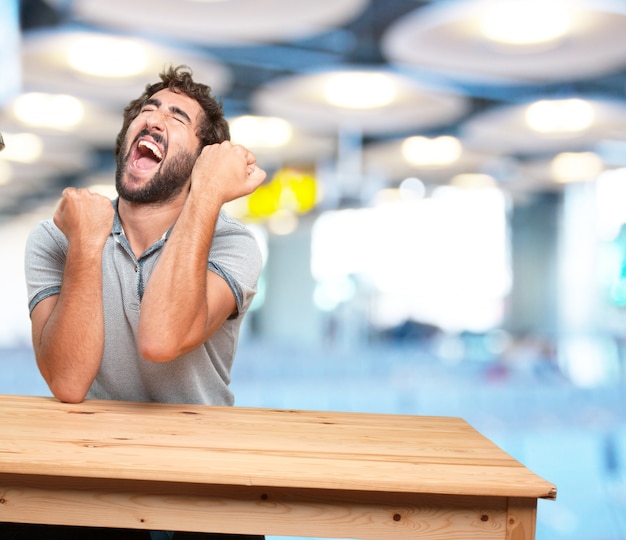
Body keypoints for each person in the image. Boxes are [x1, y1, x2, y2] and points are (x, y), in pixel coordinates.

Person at [13, 66, 267, 540]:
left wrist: (209, 192)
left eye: (177, 117)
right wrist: (87, 244)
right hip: (91, 473)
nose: (154, 119)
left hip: (204, 476)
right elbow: (67, 381)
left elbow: (160, 339)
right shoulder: (57, 236)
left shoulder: (235, 244)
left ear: (201, 161)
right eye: (147, 110)